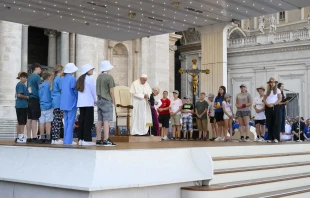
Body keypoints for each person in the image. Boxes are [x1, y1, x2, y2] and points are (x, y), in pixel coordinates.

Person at [96, 60, 116, 146]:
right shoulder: (109, 77)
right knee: (106, 120)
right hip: (106, 100)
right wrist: (113, 100)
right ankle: (106, 139)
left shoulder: (98, 77)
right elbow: (111, 91)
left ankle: (98, 138)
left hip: (99, 100)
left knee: (100, 120)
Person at [76, 64, 96, 146]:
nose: (92, 70)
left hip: (81, 103)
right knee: (88, 121)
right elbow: (93, 91)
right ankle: (87, 139)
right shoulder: (90, 79)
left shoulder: (80, 79)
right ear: (87, 70)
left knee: (82, 121)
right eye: (91, 69)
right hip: (88, 103)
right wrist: (95, 100)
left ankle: (80, 139)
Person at [60, 63, 78, 145]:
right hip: (71, 102)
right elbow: (75, 90)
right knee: (71, 121)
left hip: (64, 103)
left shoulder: (62, 79)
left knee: (66, 122)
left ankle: (65, 139)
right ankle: (68, 140)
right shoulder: (72, 79)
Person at [26, 62, 42, 143]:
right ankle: (35, 137)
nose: (41, 70)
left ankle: (28, 137)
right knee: (35, 119)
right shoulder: (37, 77)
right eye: (40, 68)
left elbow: (29, 88)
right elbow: (40, 88)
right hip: (35, 98)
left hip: (29, 98)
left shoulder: (29, 77)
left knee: (29, 118)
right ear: (36, 68)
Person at [263, 77, 282, 143]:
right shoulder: (267, 90)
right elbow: (264, 99)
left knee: (275, 122)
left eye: (273, 82)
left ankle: (276, 137)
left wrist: (274, 104)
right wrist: (267, 104)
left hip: (275, 106)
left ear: (275, 83)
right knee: (269, 122)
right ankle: (270, 137)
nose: (272, 84)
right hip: (268, 107)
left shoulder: (277, 90)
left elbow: (280, 99)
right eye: (271, 82)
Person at [38, 71, 53, 144]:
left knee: (42, 122)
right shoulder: (49, 85)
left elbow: (39, 95)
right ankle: (48, 137)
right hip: (49, 105)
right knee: (48, 122)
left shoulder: (41, 85)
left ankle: (42, 137)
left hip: (42, 105)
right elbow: (51, 95)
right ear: (49, 77)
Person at [50, 64, 64, 144]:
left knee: (55, 119)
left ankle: (54, 137)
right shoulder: (59, 79)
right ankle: (57, 138)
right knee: (58, 120)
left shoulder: (54, 79)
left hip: (55, 101)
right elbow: (62, 90)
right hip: (59, 101)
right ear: (60, 71)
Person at [15, 72, 29, 143]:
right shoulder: (21, 85)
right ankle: (21, 136)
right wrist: (27, 97)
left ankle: (19, 136)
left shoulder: (22, 85)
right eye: (23, 77)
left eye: (25, 77)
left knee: (20, 121)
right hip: (22, 106)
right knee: (22, 121)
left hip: (21, 105)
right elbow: (19, 95)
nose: (24, 79)